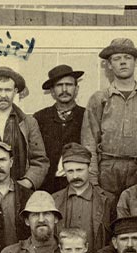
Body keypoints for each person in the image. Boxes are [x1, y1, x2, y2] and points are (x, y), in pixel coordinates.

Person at [82, 38, 137, 195]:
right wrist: (92, 178)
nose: (123, 62)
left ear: (135, 63)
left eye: (128, 58)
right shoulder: (99, 99)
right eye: (117, 59)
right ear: (110, 65)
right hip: (108, 169)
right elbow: (89, 141)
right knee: (108, 215)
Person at [51, 142, 117, 253]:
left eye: (79, 170)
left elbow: (117, 236)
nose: (75, 176)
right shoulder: (54, 200)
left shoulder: (108, 200)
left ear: (89, 168)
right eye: (70, 171)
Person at [34, 65, 87, 193]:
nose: (64, 89)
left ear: (77, 89)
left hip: (78, 184)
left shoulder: (87, 116)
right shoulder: (40, 118)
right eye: (59, 85)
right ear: (52, 91)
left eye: (69, 85)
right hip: (47, 186)